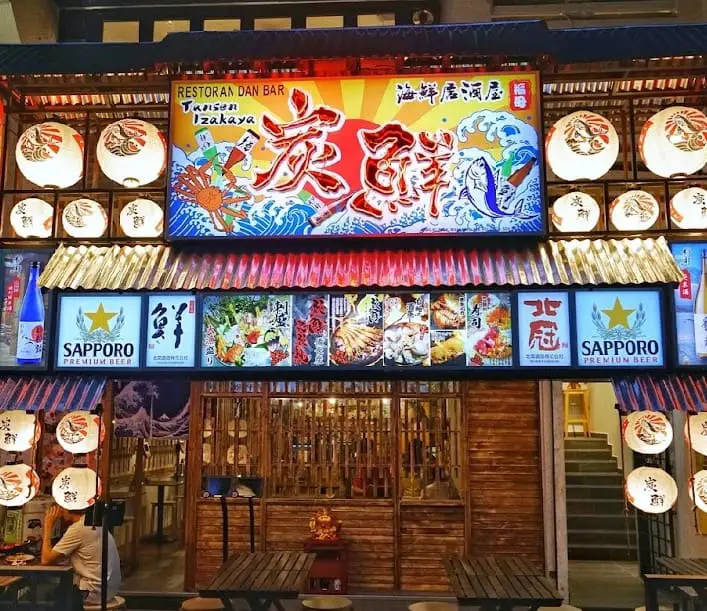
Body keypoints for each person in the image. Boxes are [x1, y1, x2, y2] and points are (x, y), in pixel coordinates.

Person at [41, 505, 122, 609]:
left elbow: (45, 559)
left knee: (49, 595)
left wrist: (48, 525)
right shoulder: (93, 523)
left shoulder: (78, 528)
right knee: (59, 588)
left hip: (94, 592)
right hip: (109, 589)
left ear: (65, 507)